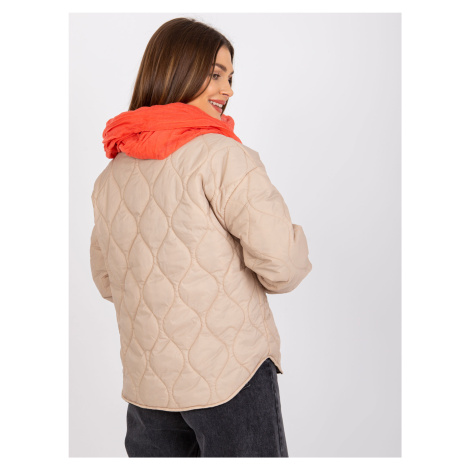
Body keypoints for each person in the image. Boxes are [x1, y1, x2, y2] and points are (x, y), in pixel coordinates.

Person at [90, 17, 312, 458]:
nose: (227, 89)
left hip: (149, 389)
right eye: (215, 74)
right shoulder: (223, 156)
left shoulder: (112, 175)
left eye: (230, 78)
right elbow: (283, 268)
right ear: (177, 71)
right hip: (231, 377)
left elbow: (107, 281)